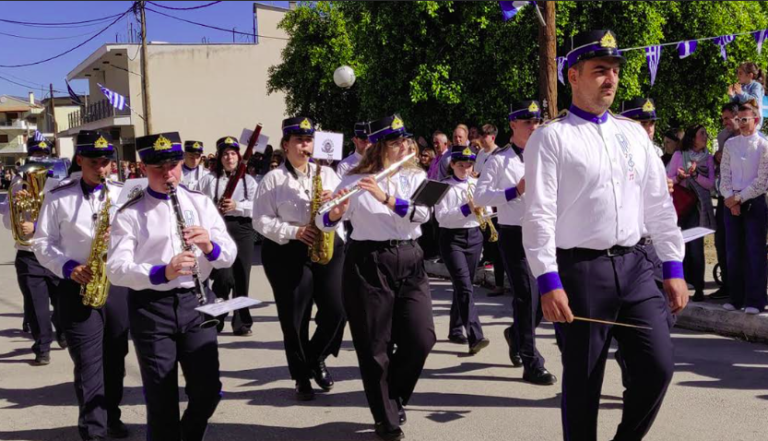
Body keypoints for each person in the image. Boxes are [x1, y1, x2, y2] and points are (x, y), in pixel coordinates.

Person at [523, 30, 688, 441]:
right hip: (581, 270)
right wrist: (547, 279)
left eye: (614, 70)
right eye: (600, 70)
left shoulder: (633, 134)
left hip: (635, 267)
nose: (611, 79)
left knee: (657, 367)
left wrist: (673, 264)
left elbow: (657, 205)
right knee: (583, 383)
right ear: (573, 75)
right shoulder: (551, 138)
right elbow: (539, 213)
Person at [107, 131, 236, 441]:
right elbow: (116, 270)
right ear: (143, 169)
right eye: (158, 168)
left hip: (196, 303)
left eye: (173, 166)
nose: (167, 174)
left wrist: (209, 246)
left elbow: (228, 254)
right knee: (161, 399)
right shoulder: (130, 214)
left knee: (208, 391)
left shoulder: (200, 203)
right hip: (152, 308)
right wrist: (162, 272)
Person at [318, 114, 434, 441]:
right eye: (395, 142)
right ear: (379, 146)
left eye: (404, 141)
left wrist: (385, 197)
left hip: (410, 257)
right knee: (374, 346)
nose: (403, 147)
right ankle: (385, 418)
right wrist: (335, 211)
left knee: (421, 338)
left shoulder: (417, 177)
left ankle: (393, 395)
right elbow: (323, 221)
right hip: (368, 261)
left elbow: (422, 214)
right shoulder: (353, 180)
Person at [33, 131, 130, 441]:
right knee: (89, 364)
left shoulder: (124, 194)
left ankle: (111, 416)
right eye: (94, 162)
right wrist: (68, 267)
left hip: (117, 286)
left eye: (106, 163)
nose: (102, 168)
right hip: (76, 286)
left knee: (115, 361)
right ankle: (94, 431)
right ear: (79, 161)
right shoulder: (58, 195)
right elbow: (42, 242)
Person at [252, 116, 346, 400]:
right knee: (295, 318)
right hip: (286, 251)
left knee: (337, 310)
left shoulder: (327, 174)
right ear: (286, 145)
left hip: (326, 243)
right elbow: (260, 220)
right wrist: (293, 231)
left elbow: (345, 212)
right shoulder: (273, 179)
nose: (305, 146)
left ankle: (315, 357)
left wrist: (338, 207)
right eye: (299, 141)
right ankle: (301, 376)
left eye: (308, 140)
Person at [474, 99, 557, 385]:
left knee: (544, 298)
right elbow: (481, 197)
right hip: (514, 233)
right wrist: (514, 191)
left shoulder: (547, 155)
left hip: (545, 232)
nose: (534, 127)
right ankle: (532, 361)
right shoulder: (499, 159)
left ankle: (516, 334)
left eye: (537, 122)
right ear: (513, 125)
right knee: (527, 295)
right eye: (528, 122)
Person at [0, 138, 64, 365]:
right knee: (37, 307)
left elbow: (63, 220)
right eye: (36, 154)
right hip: (29, 254)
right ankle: (42, 347)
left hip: (55, 252)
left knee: (62, 302)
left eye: (44, 155)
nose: (40, 159)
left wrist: (36, 227)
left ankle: (63, 331)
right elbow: (9, 223)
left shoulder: (58, 184)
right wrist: (17, 214)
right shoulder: (18, 184)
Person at [197, 136, 258, 335]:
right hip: (219, 229)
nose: (229, 158)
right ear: (219, 157)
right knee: (224, 276)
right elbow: (197, 202)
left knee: (242, 276)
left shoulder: (248, 180)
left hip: (242, 229)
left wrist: (237, 205)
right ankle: (217, 316)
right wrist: (213, 209)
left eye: (233, 154)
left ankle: (242, 322)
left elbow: (258, 206)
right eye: (225, 154)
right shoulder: (208, 179)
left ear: (238, 156)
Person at [435, 145, 490, 355]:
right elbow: (442, 217)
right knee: (464, 286)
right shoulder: (444, 187)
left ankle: (455, 328)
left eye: (469, 165)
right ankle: (475, 336)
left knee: (464, 286)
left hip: (474, 237)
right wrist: (467, 208)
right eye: (461, 165)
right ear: (452, 165)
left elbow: (487, 210)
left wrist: (485, 211)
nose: (466, 169)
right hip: (452, 239)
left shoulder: (477, 184)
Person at [720, 100, 768, 314]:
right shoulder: (731, 144)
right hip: (732, 201)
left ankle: (755, 299)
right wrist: (729, 197)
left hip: (754, 201)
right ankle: (736, 297)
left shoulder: (764, 145)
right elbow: (725, 174)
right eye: (738, 119)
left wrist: (740, 199)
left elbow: (762, 181)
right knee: (733, 251)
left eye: (745, 119)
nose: (740, 123)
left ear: (756, 120)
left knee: (754, 251)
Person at [668, 124, 716, 302]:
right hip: (680, 207)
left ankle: (699, 288)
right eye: (701, 133)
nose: (705, 136)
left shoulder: (708, 158)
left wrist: (695, 175)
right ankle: (679, 285)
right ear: (692, 137)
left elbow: (710, 184)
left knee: (696, 249)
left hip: (698, 208)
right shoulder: (679, 156)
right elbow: (668, 178)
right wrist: (679, 178)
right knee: (679, 247)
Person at [712, 103, 742, 300]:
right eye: (723, 119)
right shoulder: (723, 137)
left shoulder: (748, 137)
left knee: (740, 244)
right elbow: (720, 165)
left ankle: (742, 286)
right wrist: (716, 157)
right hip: (724, 195)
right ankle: (727, 284)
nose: (724, 123)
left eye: (727, 118)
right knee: (721, 241)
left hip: (742, 197)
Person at [728, 61, 765, 129]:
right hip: (742, 119)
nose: (738, 76)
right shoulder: (742, 87)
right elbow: (736, 103)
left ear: (750, 75)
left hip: (754, 120)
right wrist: (731, 96)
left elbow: (755, 101)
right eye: (737, 73)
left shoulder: (756, 85)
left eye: (740, 73)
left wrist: (741, 93)